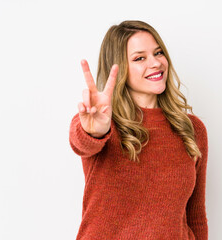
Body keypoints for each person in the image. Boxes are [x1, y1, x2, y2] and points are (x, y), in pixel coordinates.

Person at [68, 20, 208, 240]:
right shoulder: (101, 122)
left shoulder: (191, 129)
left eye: (158, 53)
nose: (155, 63)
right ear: (120, 67)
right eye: (139, 58)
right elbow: (81, 141)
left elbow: (195, 215)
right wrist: (94, 131)